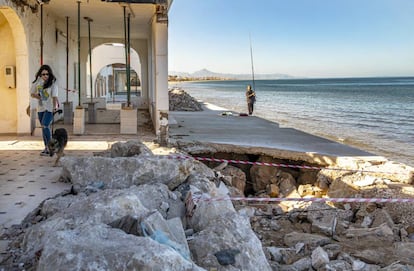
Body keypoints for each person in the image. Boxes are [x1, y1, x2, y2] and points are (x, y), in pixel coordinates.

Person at [30, 65, 59, 156]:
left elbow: (54, 96)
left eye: (47, 74)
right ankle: (47, 147)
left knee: (45, 125)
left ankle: (51, 147)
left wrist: (54, 107)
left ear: (50, 74)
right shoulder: (38, 83)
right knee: (44, 128)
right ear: (40, 75)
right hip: (41, 108)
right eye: (43, 74)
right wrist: (38, 96)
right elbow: (31, 93)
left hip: (49, 108)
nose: (45, 76)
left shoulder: (53, 84)